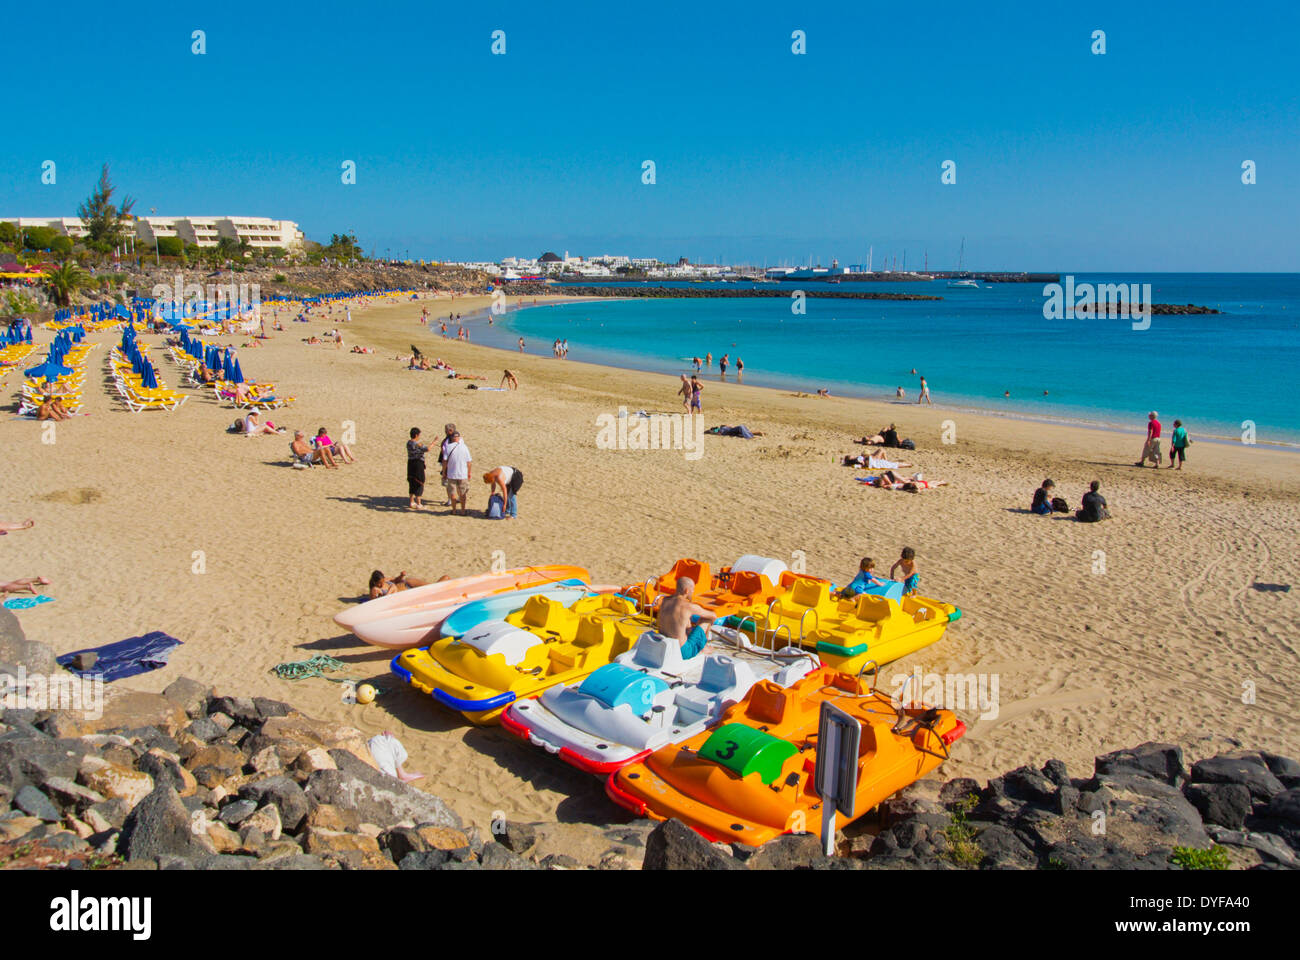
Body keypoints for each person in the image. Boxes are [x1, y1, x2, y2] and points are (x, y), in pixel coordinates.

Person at [655, 577, 715, 659]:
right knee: (706, 619)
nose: (693, 592)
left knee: (686, 620)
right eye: (693, 590)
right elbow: (713, 615)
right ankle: (703, 648)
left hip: (664, 646)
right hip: (683, 652)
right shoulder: (688, 607)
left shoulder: (664, 600)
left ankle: (699, 644)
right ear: (686, 591)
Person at [441, 430, 472, 516]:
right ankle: (463, 511)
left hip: (451, 473)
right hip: (462, 473)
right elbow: (469, 462)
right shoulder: (464, 447)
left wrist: (444, 472)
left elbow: (444, 461)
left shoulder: (448, 447)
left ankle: (454, 510)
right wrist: (469, 473)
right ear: (459, 438)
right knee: (462, 493)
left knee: (453, 493)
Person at [368, 570, 432, 598]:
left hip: (407, 583)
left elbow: (395, 580)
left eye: (383, 581)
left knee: (432, 586)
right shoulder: (375, 590)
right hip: (407, 592)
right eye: (379, 583)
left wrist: (401, 576)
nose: (382, 584)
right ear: (374, 582)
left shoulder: (385, 580)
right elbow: (374, 602)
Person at [407, 427, 429, 509]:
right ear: (416, 435)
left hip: (410, 463)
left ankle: (411, 501)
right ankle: (419, 503)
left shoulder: (408, 443)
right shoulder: (416, 443)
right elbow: (427, 449)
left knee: (412, 482)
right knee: (420, 482)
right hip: (417, 464)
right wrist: (434, 442)